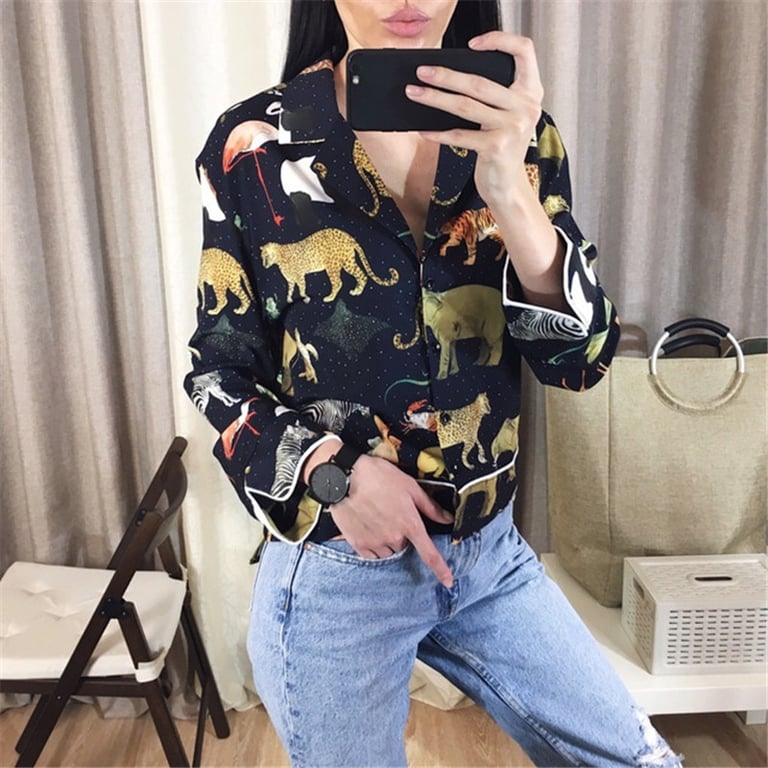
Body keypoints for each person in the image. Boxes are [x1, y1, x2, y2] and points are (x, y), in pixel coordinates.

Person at [185, 1, 682, 766]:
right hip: (339, 566)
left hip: (490, 553)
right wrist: (334, 476)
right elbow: (219, 370)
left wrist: (510, 190)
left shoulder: (519, 131)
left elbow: (579, 362)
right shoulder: (251, 146)